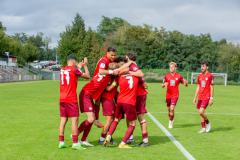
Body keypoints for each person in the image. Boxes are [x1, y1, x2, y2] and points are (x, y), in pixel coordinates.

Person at [58, 54, 90, 150]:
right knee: (74, 120)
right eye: (75, 62)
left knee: (63, 120)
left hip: (62, 98)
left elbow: (73, 71)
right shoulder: (74, 69)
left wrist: (78, 66)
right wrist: (85, 66)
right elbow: (88, 76)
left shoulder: (62, 69)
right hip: (71, 99)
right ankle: (75, 143)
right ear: (73, 61)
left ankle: (61, 142)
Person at [162, 62, 188, 128]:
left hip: (175, 95)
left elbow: (185, 84)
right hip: (168, 95)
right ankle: (171, 119)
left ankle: (170, 123)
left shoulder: (179, 76)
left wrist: (185, 83)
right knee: (169, 110)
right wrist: (163, 85)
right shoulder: (166, 76)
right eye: (170, 67)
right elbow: (163, 84)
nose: (171, 68)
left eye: (172, 67)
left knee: (172, 108)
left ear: (175, 68)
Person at [193, 62, 214, 133]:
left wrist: (211, 98)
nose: (202, 68)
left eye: (203, 66)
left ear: (207, 67)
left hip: (206, 96)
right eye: (201, 66)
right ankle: (203, 128)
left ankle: (208, 123)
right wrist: (195, 98)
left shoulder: (210, 75)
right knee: (200, 112)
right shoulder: (199, 76)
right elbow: (198, 86)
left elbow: (211, 87)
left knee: (201, 111)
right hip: (200, 97)